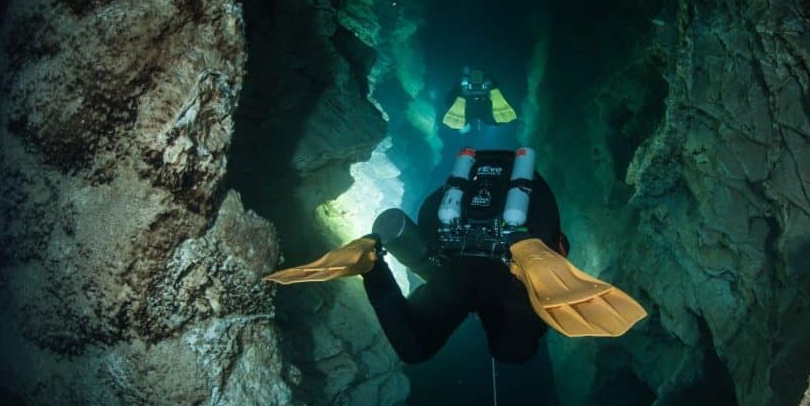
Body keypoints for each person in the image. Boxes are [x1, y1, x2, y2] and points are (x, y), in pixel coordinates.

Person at [264, 147, 647, 364]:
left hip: (453, 259)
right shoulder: (533, 193)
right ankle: (525, 251)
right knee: (513, 353)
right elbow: (558, 239)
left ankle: (372, 261)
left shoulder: (460, 194)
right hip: (508, 262)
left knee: (417, 345)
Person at [440, 67, 518, 133]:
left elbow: (448, 101)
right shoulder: (489, 82)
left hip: (471, 107)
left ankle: (462, 103)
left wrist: (462, 96)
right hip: (483, 107)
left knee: (460, 123)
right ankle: (463, 103)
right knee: (493, 121)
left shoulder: (462, 84)